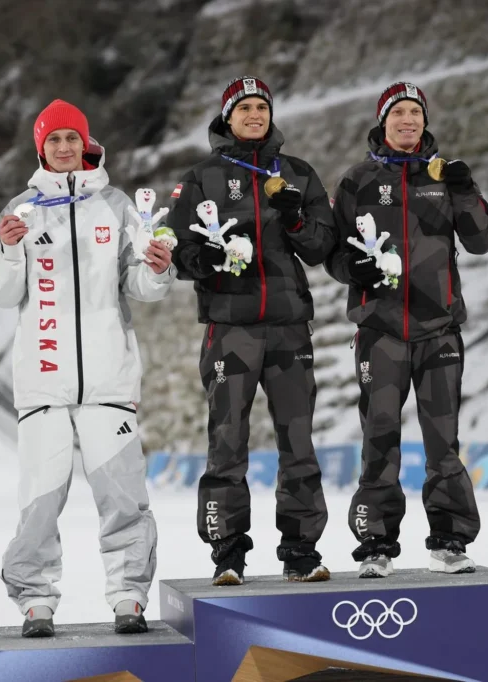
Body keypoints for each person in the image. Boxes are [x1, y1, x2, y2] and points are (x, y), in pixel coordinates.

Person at [0, 100, 174, 637]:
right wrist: (8, 252)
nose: (65, 147)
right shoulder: (21, 209)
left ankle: (128, 595)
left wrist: (157, 270)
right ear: (40, 149)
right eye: (54, 140)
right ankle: (35, 600)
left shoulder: (116, 205)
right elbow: (3, 295)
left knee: (122, 496)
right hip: (43, 383)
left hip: (107, 380)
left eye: (72, 138)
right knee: (39, 502)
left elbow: (139, 285)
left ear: (86, 143)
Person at [324, 82, 488, 578]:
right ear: (383, 121)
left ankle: (449, 540)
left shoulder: (445, 176)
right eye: (398, 112)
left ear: (424, 121)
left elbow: (482, 240)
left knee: (443, 441)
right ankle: (375, 543)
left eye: (415, 112)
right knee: (379, 436)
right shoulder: (357, 180)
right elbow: (332, 254)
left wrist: (466, 189)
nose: (408, 120)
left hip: (438, 330)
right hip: (380, 331)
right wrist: (352, 270)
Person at [166, 76, 335, 586]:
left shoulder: (298, 173)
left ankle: (301, 549)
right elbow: (177, 249)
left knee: (298, 441)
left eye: (262, 106)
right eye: (244, 108)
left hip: (288, 327)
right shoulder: (202, 177)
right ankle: (227, 552)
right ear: (228, 117)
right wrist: (205, 258)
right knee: (227, 441)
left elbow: (323, 247)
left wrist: (297, 220)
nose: (255, 115)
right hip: (230, 328)